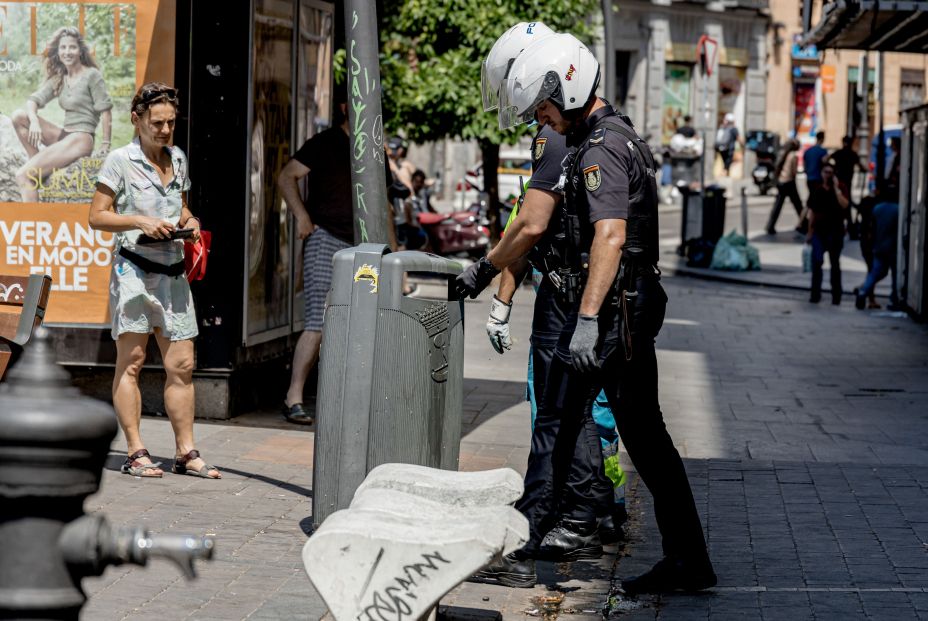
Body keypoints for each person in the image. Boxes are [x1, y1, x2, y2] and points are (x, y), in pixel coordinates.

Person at [460, 33, 715, 594]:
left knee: (557, 422)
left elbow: (611, 235)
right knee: (646, 438)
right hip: (627, 311)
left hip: (610, 314)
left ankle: (525, 547)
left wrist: (587, 319)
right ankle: (688, 559)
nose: (542, 120)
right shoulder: (613, 136)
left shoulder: (600, 147)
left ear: (568, 89)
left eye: (544, 108)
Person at [461, 23, 625, 590]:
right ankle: (584, 512)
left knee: (558, 417)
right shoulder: (580, 130)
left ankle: (542, 532)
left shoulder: (560, 137)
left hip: (571, 297)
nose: (533, 112)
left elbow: (532, 225)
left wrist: (486, 274)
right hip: (576, 294)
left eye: (536, 101)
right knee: (573, 415)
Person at [88, 83, 219, 479]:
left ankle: (185, 452)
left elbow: (181, 207)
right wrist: (139, 221)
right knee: (132, 361)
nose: (165, 130)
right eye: (157, 122)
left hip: (173, 273)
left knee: (182, 365)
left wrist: (190, 223)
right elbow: (97, 216)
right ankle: (135, 451)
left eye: (171, 123)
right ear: (137, 119)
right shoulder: (119, 161)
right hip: (134, 272)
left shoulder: (177, 158)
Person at [277, 93, 395, 424]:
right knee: (318, 319)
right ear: (345, 108)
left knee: (359, 322)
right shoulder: (325, 142)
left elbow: (384, 205)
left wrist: (394, 253)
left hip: (364, 247)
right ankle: (294, 396)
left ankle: (347, 397)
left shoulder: (375, 150)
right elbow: (286, 176)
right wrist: (302, 217)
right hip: (326, 238)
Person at [12, 26, 113, 202]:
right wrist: (34, 121)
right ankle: (37, 164)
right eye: (63, 47)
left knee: (23, 176)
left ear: (80, 51)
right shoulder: (60, 78)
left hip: (81, 138)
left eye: (72, 47)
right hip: (64, 135)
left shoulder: (92, 75)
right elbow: (33, 100)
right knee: (19, 117)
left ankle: (33, 210)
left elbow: (105, 110)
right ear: (58, 52)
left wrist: (105, 144)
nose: (67, 52)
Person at [806, 163, 849, 304]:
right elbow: (812, 211)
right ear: (821, 173)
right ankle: (815, 295)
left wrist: (836, 189)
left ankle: (836, 296)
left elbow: (845, 204)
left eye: (830, 172)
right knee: (817, 262)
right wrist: (810, 232)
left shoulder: (840, 188)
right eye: (826, 172)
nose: (828, 175)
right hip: (819, 231)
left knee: (835, 264)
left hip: (835, 231)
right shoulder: (817, 189)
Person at [855, 200, 899, 310]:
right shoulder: (897, 209)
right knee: (894, 274)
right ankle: (894, 298)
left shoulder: (877, 208)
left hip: (878, 245)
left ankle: (863, 291)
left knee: (875, 272)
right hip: (892, 247)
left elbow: (871, 228)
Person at [765, 139, 803, 235]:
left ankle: (770, 226)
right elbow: (793, 172)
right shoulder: (793, 156)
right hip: (789, 182)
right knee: (798, 205)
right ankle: (804, 224)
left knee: (777, 206)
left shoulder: (782, 153)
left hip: (781, 182)